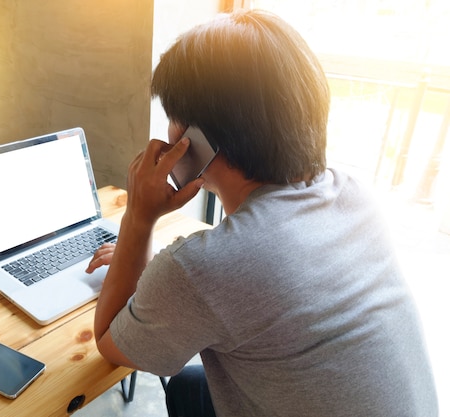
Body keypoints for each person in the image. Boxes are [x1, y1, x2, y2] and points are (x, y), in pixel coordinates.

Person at [87, 9, 438, 417]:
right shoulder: (353, 192)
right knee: (188, 386)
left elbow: (111, 342)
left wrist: (139, 219)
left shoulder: (203, 269)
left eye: (172, 117)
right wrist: (148, 271)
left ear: (198, 140)